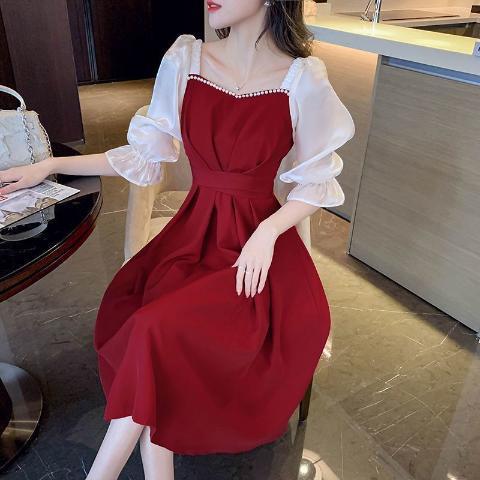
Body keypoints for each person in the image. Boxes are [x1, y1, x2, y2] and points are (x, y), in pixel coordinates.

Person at [0, 0, 355, 478]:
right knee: (151, 329)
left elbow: (314, 184)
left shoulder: (303, 78)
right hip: (192, 240)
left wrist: (268, 232)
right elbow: (144, 155)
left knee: (152, 331)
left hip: (255, 254)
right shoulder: (186, 59)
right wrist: (50, 165)